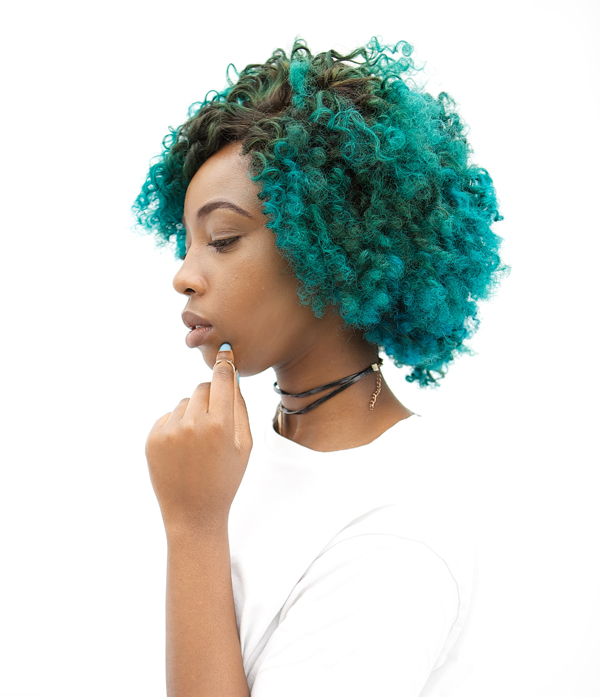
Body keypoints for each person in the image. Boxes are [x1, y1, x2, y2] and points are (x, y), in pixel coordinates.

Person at [132, 36, 507, 696]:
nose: (184, 275)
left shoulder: (399, 530)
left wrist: (193, 528)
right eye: (187, 243)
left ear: (331, 247)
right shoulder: (230, 453)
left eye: (222, 239)